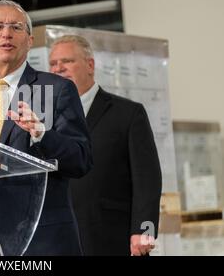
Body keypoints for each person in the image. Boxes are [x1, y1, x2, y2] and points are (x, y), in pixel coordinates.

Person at [0, 0, 93, 256]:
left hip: (41, 239)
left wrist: (42, 134)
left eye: (15, 27)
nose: (6, 33)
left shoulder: (57, 90)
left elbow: (82, 159)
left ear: (30, 41)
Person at [48, 35, 162, 256]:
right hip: (59, 239)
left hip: (111, 237)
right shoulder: (44, 122)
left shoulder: (128, 113)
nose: (58, 68)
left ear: (90, 65)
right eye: (53, 63)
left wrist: (145, 230)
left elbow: (147, 179)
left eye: (67, 61)